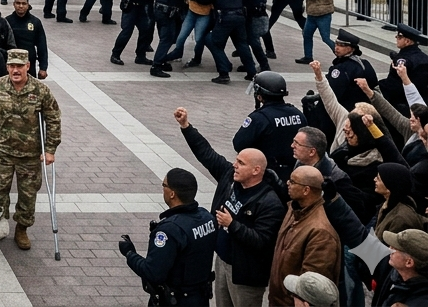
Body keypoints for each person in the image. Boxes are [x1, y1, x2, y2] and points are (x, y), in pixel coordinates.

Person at [174, 108, 281, 307]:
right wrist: (186, 127)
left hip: (245, 273)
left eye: (241, 163)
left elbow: (262, 241)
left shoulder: (269, 202)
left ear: (256, 170)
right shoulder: (229, 177)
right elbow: (207, 154)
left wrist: (232, 225)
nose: (235, 165)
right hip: (222, 261)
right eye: (236, 160)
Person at [0, 49, 61, 251]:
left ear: (27, 67)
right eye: (12, 66)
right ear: (7, 67)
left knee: (28, 195)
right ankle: (1, 219)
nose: (16, 70)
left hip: (30, 155)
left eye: (19, 66)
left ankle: (22, 228)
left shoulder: (40, 90)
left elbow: (53, 118)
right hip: (2, 152)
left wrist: (50, 149)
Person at [119, 167, 216, 307]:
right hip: (200, 297)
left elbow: (153, 272)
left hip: (175, 300)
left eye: (164, 185)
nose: (162, 188)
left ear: (172, 194)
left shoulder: (169, 230)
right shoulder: (207, 218)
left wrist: (130, 254)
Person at [268, 166, 341, 307]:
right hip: (277, 300)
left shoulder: (321, 233)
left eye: (293, 181)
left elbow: (311, 288)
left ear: (306, 190)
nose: (287, 183)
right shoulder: (294, 209)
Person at [232, 71, 304, 191]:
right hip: (295, 172)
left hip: (268, 176)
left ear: (260, 96)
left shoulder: (259, 118)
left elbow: (238, 143)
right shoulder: (297, 114)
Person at [298, 0, 334, 64]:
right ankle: (308, 56)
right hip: (312, 13)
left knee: (325, 38)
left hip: (323, 13)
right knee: (307, 34)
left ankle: (341, 55)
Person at [7, 0, 50, 79]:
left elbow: (42, 46)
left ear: (28, 5)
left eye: (24, 3)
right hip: (11, 64)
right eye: (18, 3)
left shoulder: (35, 22)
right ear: (14, 4)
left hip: (29, 65)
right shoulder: (7, 21)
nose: (21, 6)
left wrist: (43, 67)